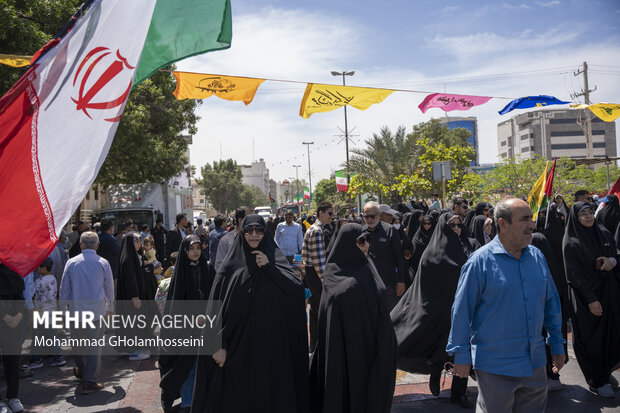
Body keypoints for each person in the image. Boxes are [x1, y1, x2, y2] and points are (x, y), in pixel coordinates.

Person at [446, 198, 565, 413]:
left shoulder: (537, 257)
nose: (532, 225)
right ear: (503, 224)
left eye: (532, 218)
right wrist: (461, 356)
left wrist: (557, 344)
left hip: (535, 364)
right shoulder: (479, 262)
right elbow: (462, 311)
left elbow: (551, 304)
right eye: (525, 219)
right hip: (495, 367)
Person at [192, 215, 309, 412]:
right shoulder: (230, 267)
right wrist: (218, 345)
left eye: (259, 230)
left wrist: (269, 268)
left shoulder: (275, 260)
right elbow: (215, 308)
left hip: (272, 350)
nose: (254, 235)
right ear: (242, 232)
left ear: (266, 233)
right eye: (249, 230)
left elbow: (296, 291)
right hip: (239, 350)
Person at [391, 213, 477, 409]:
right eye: (451, 224)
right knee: (437, 351)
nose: (456, 228)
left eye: (458, 224)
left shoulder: (467, 249)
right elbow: (424, 286)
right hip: (436, 312)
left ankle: (458, 393)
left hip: (462, 313)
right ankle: (436, 374)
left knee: (460, 353)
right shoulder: (431, 255)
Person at [309, 224, 396, 413]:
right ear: (347, 243)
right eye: (360, 241)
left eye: (368, 240)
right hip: (340, 351)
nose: (365, 245)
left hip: (367, 346)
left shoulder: (366, 267)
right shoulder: (333, 274)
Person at [562, 201, 620, 397]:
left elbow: (616, 253)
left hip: (608, 292)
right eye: (583, 214)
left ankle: (606, 370)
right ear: (575, 218)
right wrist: (591, 299)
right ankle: (596, 379)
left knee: (610, 333)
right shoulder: (571, 242)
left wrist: (612, 261)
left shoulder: (602, 232)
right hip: (586, 297)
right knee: (592, 339)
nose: (588, 217)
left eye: (590, 212)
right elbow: (574, 275)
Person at [159, 235, 214, 412]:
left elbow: (215, 295)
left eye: (198, 247)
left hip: (207, 324)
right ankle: (189, 402)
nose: (196, 251)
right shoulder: (180, 273)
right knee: (186, 366)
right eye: (191, 248)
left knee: (204, 364)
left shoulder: (207, 268)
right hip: (186, 328)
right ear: (185, 251)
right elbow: (176, 304)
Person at [59, 231, 114, 395]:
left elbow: (64, 290)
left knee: (77, 344)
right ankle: (89, 380)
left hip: (75, 312)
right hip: (96, 312)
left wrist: (62, 311)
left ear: (81, 245)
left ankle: (83, 373)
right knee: (93, 347)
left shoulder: (71, 263)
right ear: (97, 245)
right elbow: (109, 289)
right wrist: (110, 308)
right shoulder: (103, 263)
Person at [362, 202, 407, 310]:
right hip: (367, 285)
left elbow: (399, 257)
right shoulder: (360, 232)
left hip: (388, 285)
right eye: (366, 216)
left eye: (372, 216)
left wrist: (401, 281)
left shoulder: (390, 231)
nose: (369, 219)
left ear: (378, 215)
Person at [303, 201, 334, 353]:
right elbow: (318, 260)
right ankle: (317, 345)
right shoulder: (317, 231)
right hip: (315, 275)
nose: (331, 217)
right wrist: (324, 280)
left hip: (313, 274)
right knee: (319, 310)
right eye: (329, 213)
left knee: (316, 310)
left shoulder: (315, 229)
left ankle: (315, 345)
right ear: (321, 213)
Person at [117, 232, 153, 361]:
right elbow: (130, 279)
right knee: (133, 323)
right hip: (132, 298)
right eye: (137, 241)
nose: (139, 244)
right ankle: (133, 352)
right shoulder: (128, 259)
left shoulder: (134, 256)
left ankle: (139, 348)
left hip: (137, 296)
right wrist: (135, 296)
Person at [26, 257, 66, 369]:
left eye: (38, 267)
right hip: (50, 311)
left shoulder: (40, 281)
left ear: (44, 268)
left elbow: (33, 294)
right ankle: (55, 357)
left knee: (38, 336)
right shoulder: (53, 279)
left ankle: (38, 359)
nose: (36, 270)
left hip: (41, 312)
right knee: (50, 335)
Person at [0, 264, 26, 413]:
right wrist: (4, 316)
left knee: (12, 363)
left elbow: (20, 297)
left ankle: (13, 396)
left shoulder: (13, 271)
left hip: (13, 325)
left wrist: (18, 316)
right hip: (4, 321)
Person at [214, 207, 250, 272]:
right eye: (249, 218)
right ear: (240, 220)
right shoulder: (226, 240)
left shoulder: (254, 240)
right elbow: (219, 266)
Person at [408, 215, 436, 282]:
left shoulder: (435, 236)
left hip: (433, 267)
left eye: (429, 224)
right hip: (419, 267)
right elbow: (414, 254)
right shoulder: (417, 237)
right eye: (424, 223)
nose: (426, 225)